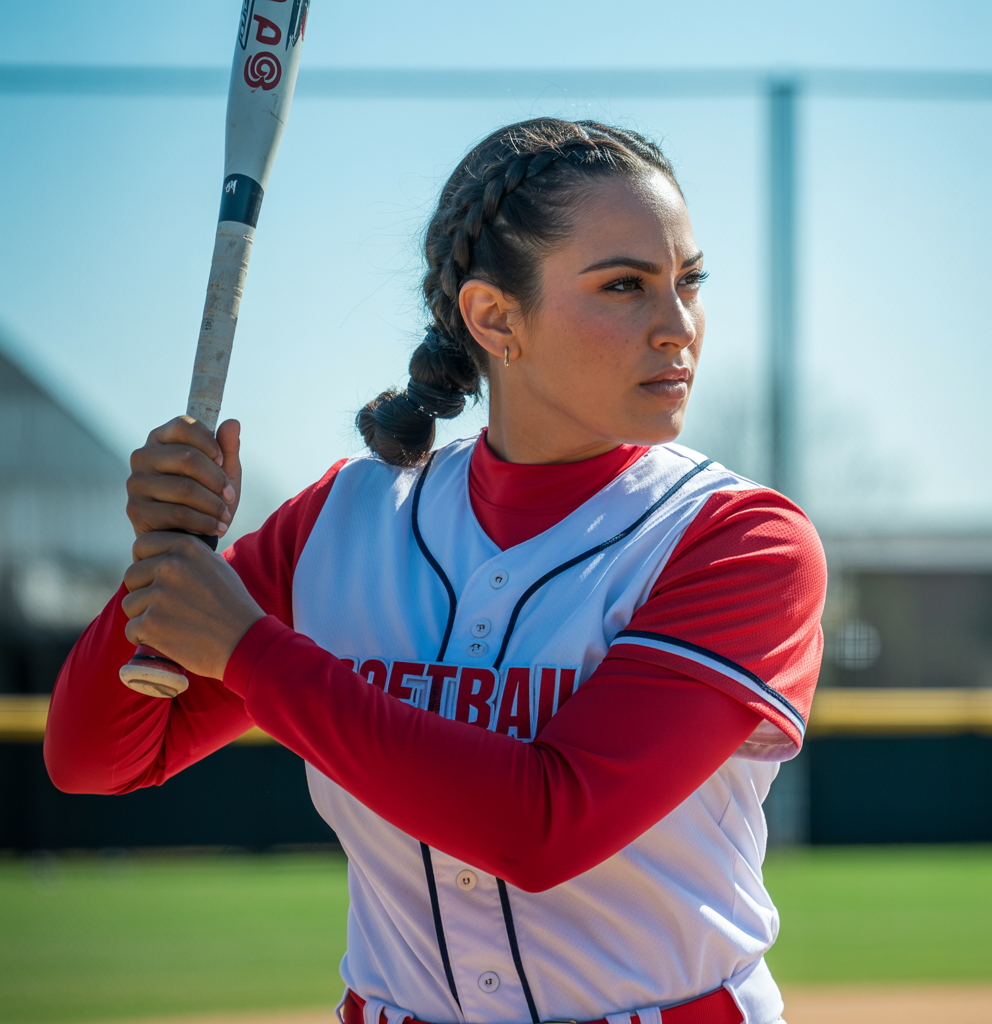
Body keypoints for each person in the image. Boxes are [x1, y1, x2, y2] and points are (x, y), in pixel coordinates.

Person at [45, 118, 826, 1024]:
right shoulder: (344, 519)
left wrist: (253, 655)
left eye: (689, 281)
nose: (678, 327)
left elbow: (543, 827)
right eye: (625, 285)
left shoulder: (740, 540)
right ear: (495, 318)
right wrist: (166, 553)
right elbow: (97, 758)